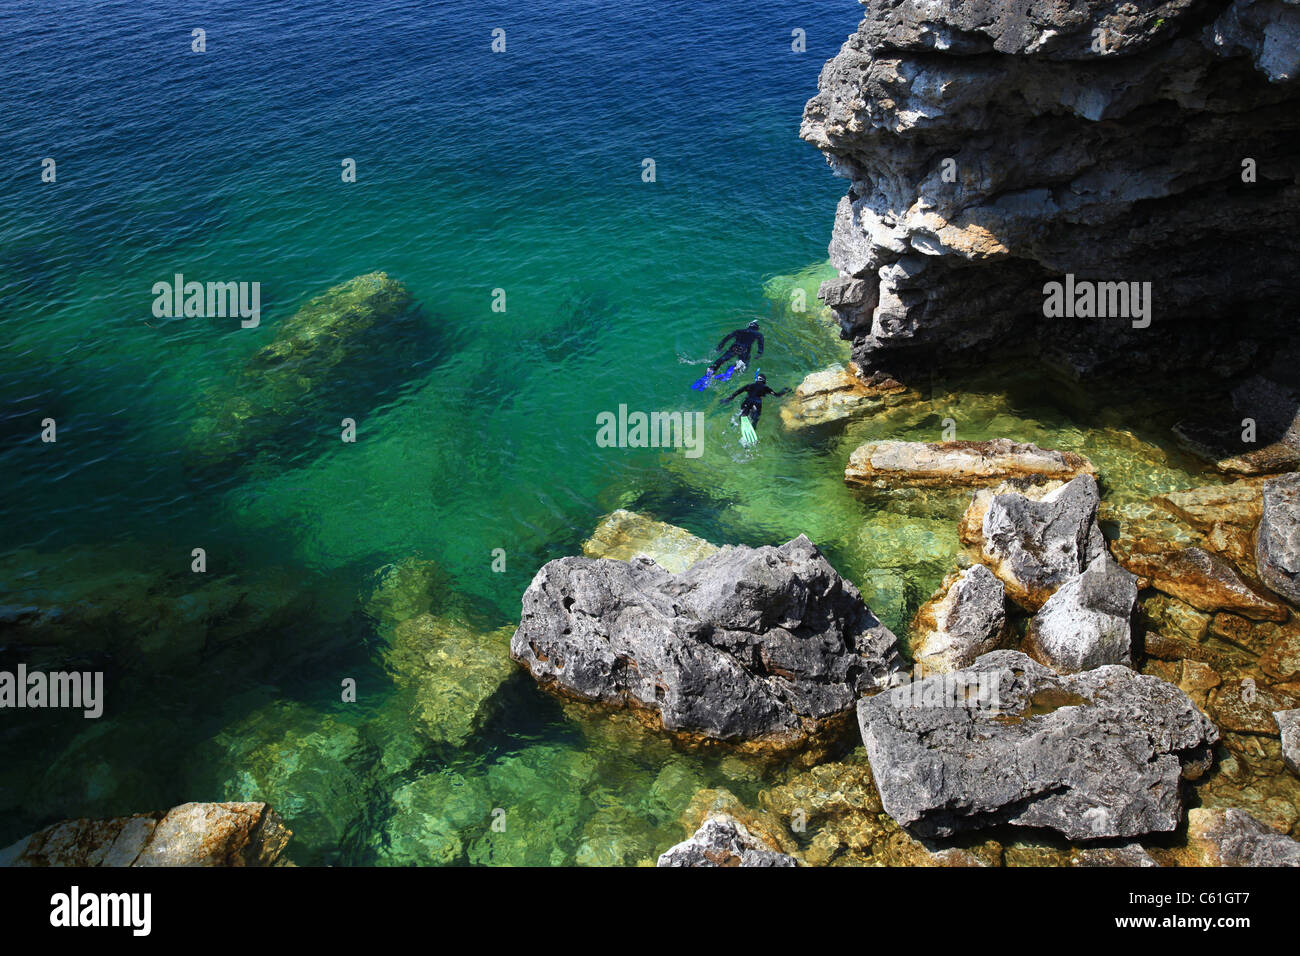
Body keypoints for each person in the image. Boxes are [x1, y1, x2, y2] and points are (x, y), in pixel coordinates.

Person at [722, 373, 789, 429]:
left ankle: (743, 415)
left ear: (756, 380)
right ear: (764, 382)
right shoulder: (766, 388)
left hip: (748, 401)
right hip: (757, 403)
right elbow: (777, 395)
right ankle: (753, 427)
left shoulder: (750, 385)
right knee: (755, 419)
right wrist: (785, 390)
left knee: (744, 412)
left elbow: (738, 391)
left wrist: (729, 398)